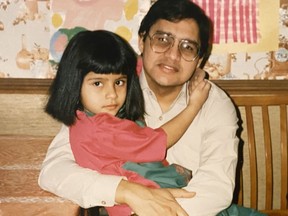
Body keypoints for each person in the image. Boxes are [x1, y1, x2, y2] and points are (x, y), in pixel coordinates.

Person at [39, 0, 239, 215]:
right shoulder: (111, 88)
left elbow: (216, 187)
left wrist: (150, 209)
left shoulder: (213, 103)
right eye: (162, 40)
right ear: (142, 41)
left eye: (187, 47)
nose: (173, 55)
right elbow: (54, 171)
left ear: (199, 59)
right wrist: (125, 191)